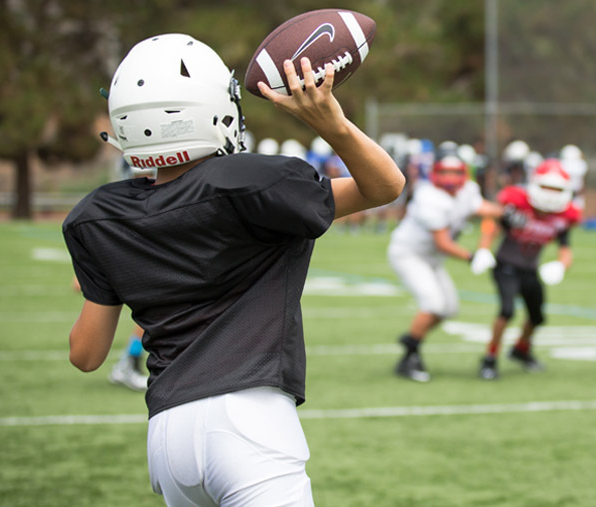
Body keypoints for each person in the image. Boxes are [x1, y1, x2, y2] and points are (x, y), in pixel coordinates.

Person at [63, 34, 404, 506]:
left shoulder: (98, 215)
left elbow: (86, 354)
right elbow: (386, 186)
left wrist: (116, 274)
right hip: (249, 421)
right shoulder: (254, 183)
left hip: (166, 436)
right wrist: (334, 124)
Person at [389, 155, 504, 382]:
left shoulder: (467, 190)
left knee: (449, 309)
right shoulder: (428, 197)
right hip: (409, 254)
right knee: (433, 304)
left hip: (432, 258)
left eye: (454, 172)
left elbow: (484, 209)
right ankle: (410, 354)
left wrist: (507, 213)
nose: (449, 178)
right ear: (435, 173)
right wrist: (473, 257)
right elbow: (443, 242)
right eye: (444, 172)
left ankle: (411, 339)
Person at [477, 159, 582, 380]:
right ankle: (490, 357)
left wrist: (561, 266)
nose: (551, 193)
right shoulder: (517, 204)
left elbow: (566, 249)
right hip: (506, 265)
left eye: (556, 189)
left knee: (537, 317)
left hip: (529, 269)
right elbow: (493, 224)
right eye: (547, 187)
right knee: (507, 311)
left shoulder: (563, 217)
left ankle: (521, 349)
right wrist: (483, 249)